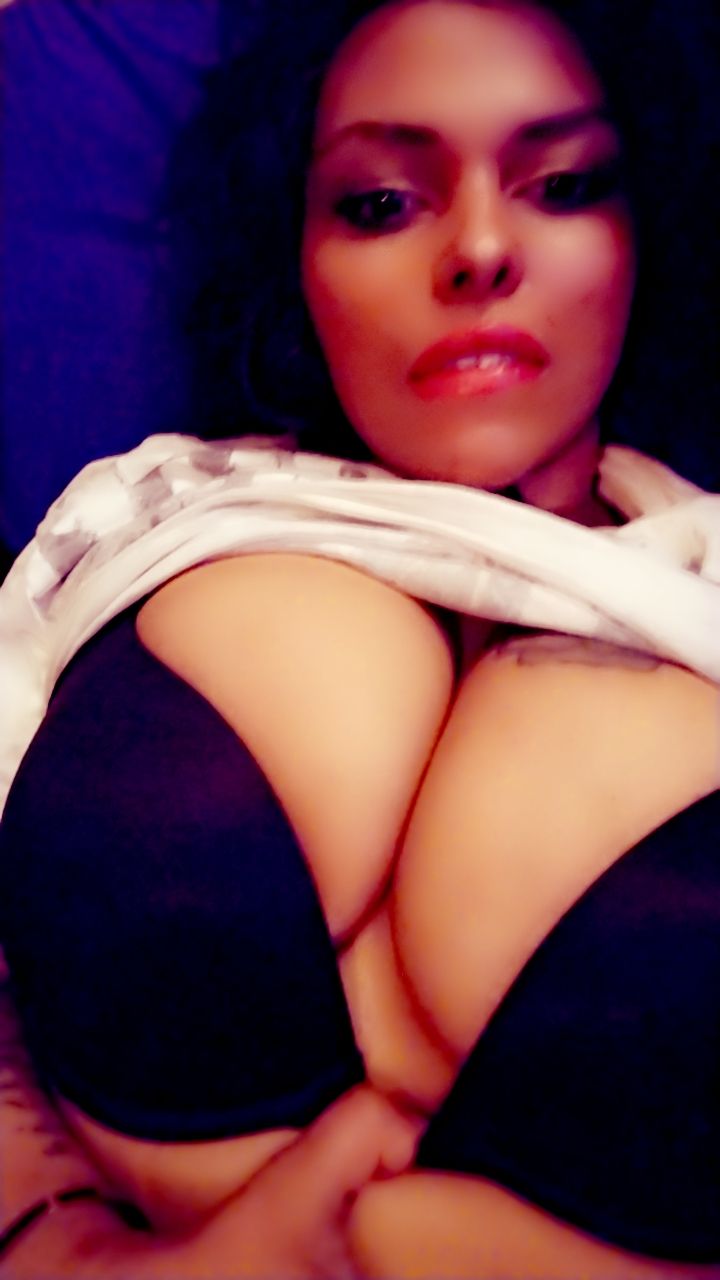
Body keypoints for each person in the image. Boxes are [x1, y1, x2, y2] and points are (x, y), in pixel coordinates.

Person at [1, 0, 719, 1275]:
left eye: (562, 183)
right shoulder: (148, 525)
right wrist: (62, 1247)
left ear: (646, 228)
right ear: (297, 255)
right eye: (382, 202)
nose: (479, 249)